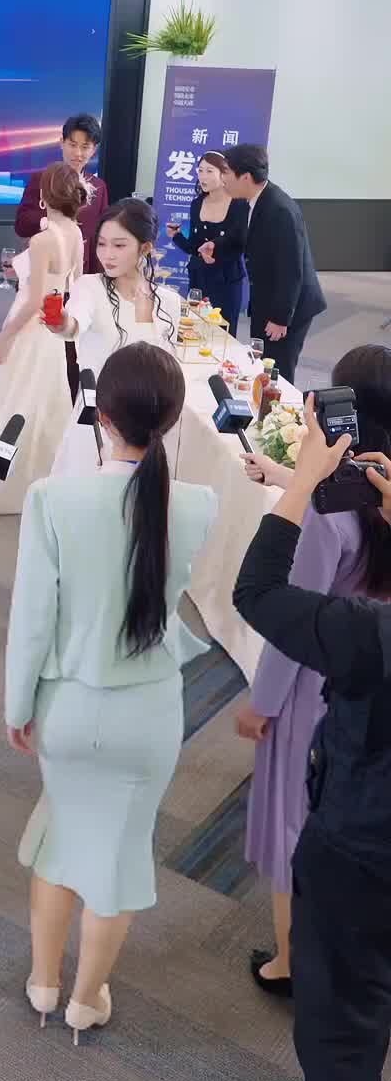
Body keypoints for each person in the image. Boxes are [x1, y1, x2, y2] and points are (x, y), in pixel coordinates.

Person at [5, 343, 217, 1041]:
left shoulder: (52, 499)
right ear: (174, 418)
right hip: (147, 714)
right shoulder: (197, 506)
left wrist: (17, 707)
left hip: (67, 707)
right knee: (119, 856)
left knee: (60, 839)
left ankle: (43, 982)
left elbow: (31, 621)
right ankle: (86, 997)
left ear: (101, 415)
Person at [233, 401, 391, 1081]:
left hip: (361, 854)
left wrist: (299, 483)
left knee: (342, 1034)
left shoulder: (369, 636)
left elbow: (258, 593)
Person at [237, 345, 391, 999]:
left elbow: (289, 624)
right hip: (376, 671)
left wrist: (262, 704)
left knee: (293, 823)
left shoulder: (327, 515)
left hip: (315, 688)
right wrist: (287, 476)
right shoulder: (379, 489)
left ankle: (291, 963)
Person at [0, 163, 86, 511]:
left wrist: (3, 338)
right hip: (53, 331)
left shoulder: (42, 240)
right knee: (46, 405)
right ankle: (45, 481)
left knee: (13, 402)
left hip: (28, 328)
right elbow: (73, 285)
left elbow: (34, 299)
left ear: (43, 197)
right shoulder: (75, 233)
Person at [45, 199, 181, 476]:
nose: (107, 255)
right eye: (102, 244)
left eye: (119, 246)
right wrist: (59, 322)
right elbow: (73, 325)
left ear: (145, 248)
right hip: (98, 421)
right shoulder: (89, 287)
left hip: (147, 428)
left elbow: (165, 364)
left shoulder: (168, 302)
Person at [222, 143, 325, 384]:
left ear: (245, 177)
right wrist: (215, 246)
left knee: (278, 370)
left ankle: (280, 408)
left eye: (226, 172)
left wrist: (280, 318)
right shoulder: (249, 200)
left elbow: (292, 270)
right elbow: (241, 236)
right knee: (262, 362)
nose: (222, 178)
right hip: (266, 297)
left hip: (290, 307)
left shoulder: (280, 210)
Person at [165, 149, 248, 335]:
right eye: (200, 170)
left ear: (224, 174)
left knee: (223, 333)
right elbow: (195, 248)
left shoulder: (239, 204)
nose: (203, 176)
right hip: (199, 278)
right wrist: (176, 236)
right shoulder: (197, 204)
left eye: (209, 171)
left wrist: (215, 249)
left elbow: (240, 243)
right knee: (194, 331)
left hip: (226, 280)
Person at [14, 113, 108, 270]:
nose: (78, 153)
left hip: (82, 273)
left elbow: (100, 237)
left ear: (94, 150)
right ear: (61, 143)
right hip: (45, 269)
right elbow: (21, 225)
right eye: (72, 145)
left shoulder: (99, 187)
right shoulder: (41, 179)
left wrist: (97, 278)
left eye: (85, 147)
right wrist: (51, 223)